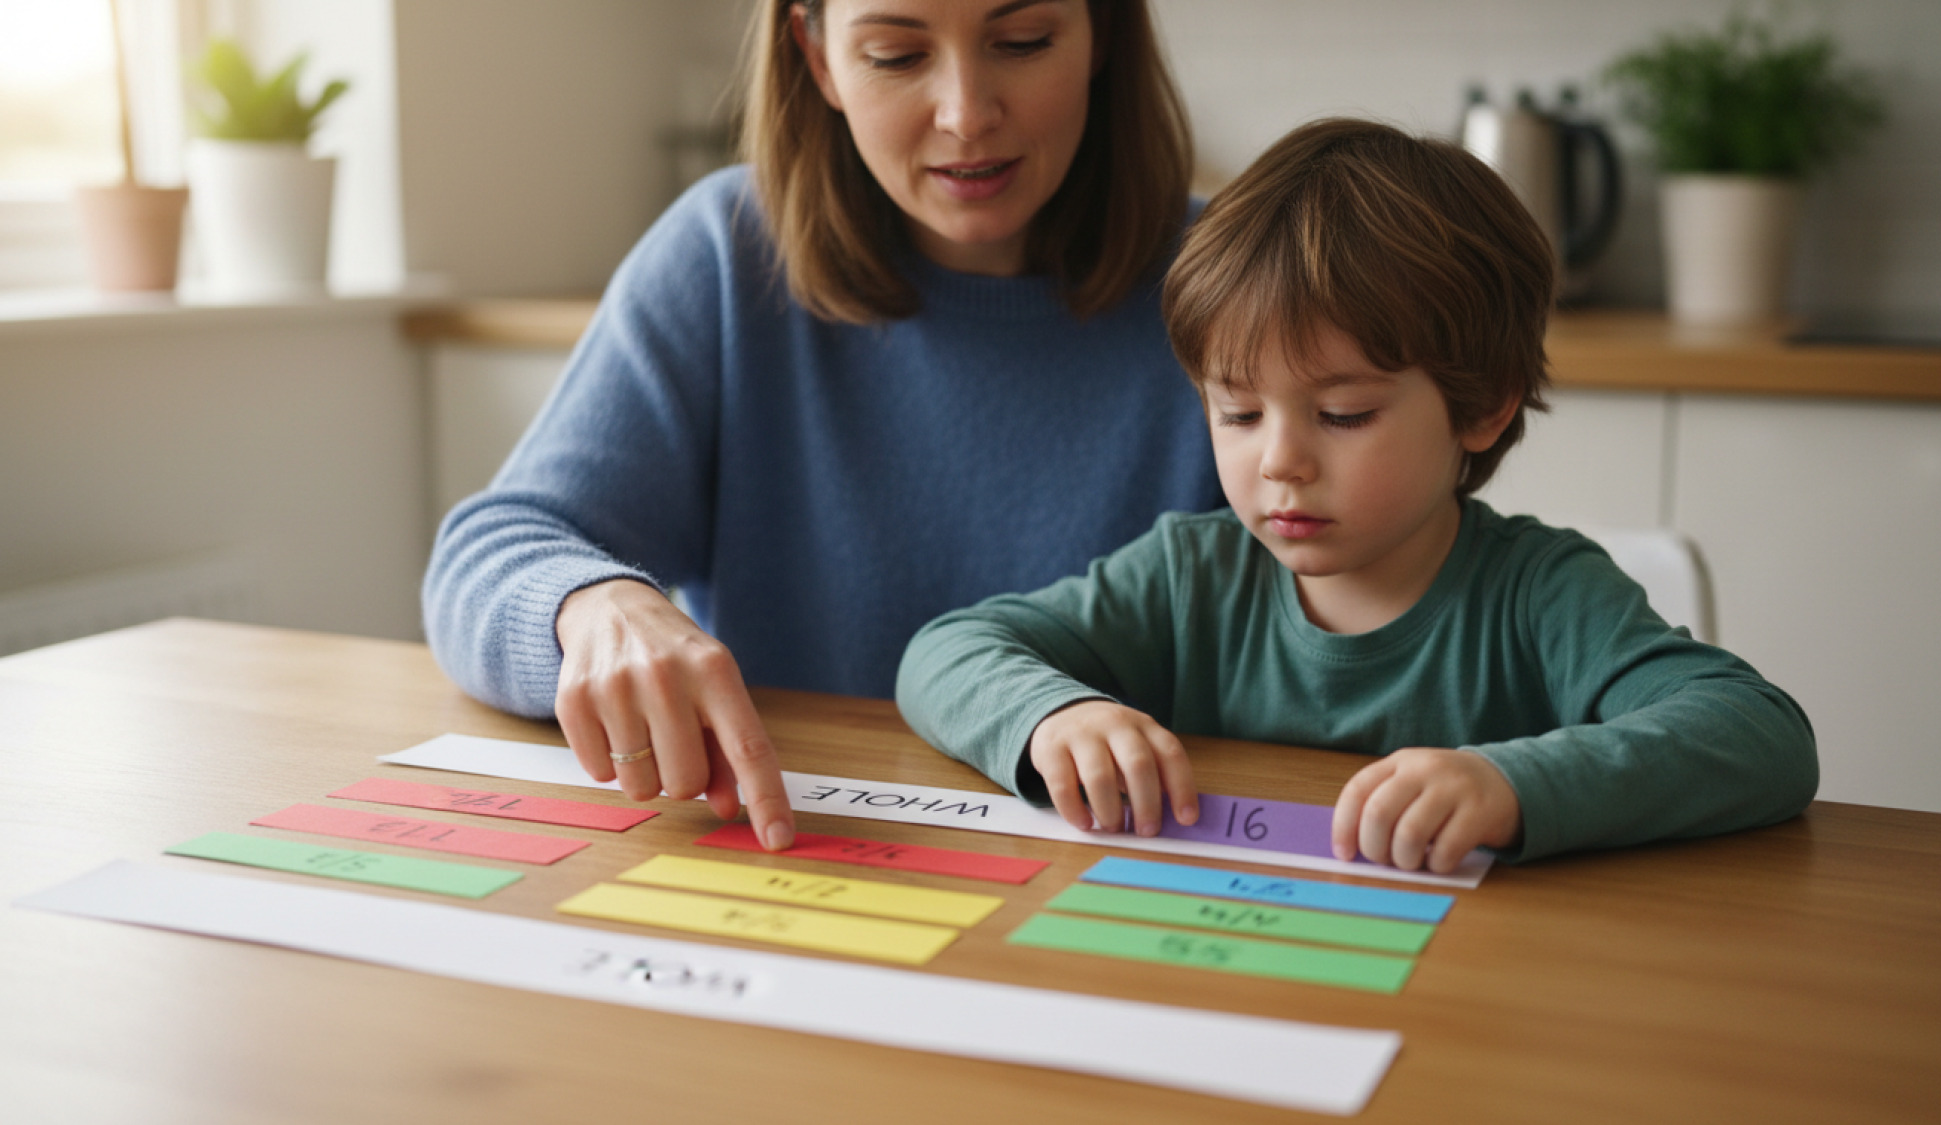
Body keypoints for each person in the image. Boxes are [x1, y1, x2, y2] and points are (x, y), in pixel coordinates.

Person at [895, 117, 1818, 873]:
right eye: (1239, 411)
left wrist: (1514, 784)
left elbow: (1759, 736)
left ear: (1482, 406)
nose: (1280, 461)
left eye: (1341, 414)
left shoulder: (1540, 593)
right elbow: (946, 651)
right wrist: (1056, 714)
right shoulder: (1191, 574)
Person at [422, 0, 1223, 853]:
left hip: (1120, 868)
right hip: (795, 858)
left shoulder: (1232, 287)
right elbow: (487, 555)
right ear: (817, 56)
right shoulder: (727, 255)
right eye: (894, 55)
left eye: (1022, 42)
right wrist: (592, 607)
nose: (965, 113)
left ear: (1101, 33)